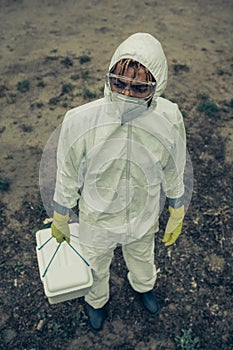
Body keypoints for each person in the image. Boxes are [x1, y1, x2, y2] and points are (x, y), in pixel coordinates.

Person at [51, 33, 186, 331]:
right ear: (109, 77)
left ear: (157, 86)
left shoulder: (169, 117)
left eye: (139, 88)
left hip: (143, 210)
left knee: (141, 255)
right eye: (119, 82)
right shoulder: (80, 120)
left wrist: (177, 207)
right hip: (97, 216)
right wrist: (61, 213)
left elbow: (175, 163)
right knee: (96, 263)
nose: (126, 93)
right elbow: (67, 170)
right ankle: (96, 301)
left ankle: (143, 285)